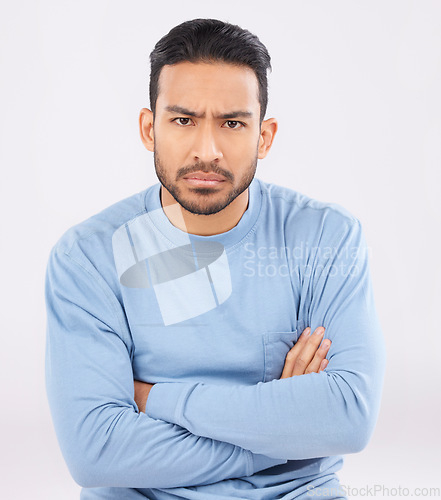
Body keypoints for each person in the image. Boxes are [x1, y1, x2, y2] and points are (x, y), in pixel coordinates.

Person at [45, 18, 386, 500]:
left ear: (263, 137)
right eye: (183, 120)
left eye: (232, 123)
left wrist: (154, 399)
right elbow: (97, 451)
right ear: (150, 128)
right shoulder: (87, 258)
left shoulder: (326, 238)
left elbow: (348, 418)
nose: (207, 151)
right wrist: (285, 435)